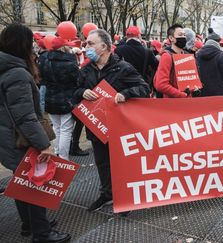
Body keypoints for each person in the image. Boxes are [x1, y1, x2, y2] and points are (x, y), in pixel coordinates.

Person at [0, 23, 70, 243]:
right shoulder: (18, 73)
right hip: (20, 138)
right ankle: (42, 233)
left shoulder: (6, 67)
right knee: (36, 182)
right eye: (30, 41)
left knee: (21, 180)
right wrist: (44, 145)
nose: (33, 45)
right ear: (21, 44)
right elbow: (25, 116)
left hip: (9, 136)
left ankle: (28, 224)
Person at [74, 29, 150, 212]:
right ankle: (107, 194)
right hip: (96, 125)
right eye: (86, 43)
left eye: (91, 43)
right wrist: (81, 93)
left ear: (105, 46)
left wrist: (125, 94)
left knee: (121, 163)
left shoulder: (123, 68)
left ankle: (125, 197)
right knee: (102, 162)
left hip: (119, 127)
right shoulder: (86, 69)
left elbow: (144, 88)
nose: (86, 46)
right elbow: (73, 91)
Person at [40, 37, 79, 160]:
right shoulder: (70, 62)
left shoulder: (45, 60)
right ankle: (63, 158)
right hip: (66, 100)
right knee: (66, 130)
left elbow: (42, 79)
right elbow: (77, 80)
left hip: (51, 99)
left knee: (56, 128)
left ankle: (57, 154)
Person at [154, 24, 200, 98]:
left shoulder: (187, 55)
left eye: (184, 35)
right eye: (180, 35)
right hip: (173, 104)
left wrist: (195, 89)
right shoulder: (167, 56)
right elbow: (161, 85)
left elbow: (191, 80)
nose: (183, 37)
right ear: (171, 38)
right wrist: (182, 94)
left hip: (187, 103)